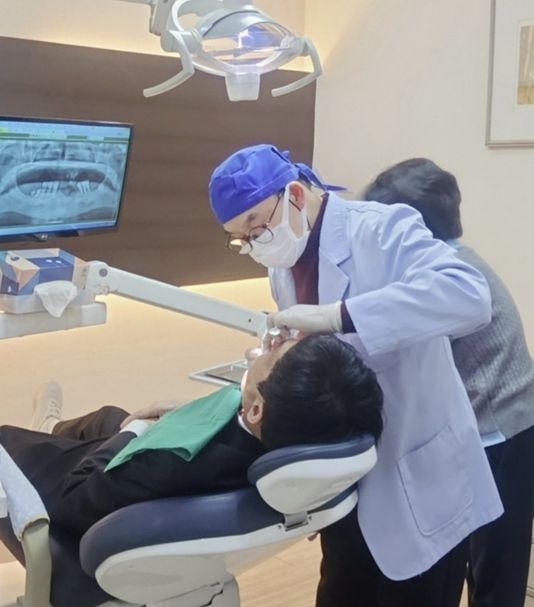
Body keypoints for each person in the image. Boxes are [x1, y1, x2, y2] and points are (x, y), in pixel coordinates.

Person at [208, 144, 504, 607]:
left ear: (295, 196)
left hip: (418, 475)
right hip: (346, 479)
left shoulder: (383, 229)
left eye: (256, 225)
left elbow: (468, 295)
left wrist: (337, 316)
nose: (254, 243)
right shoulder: (283, 264)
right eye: (240, 238)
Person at [0, 334, 383, 540]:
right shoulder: (292, 435)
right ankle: (51, 427)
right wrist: (188, 413)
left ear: (256, 411)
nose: (268, 343)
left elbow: (75, 498)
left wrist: (139, 431)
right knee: (108, 417)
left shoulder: (166, 460)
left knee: (11, 440)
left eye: (273, 353)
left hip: (72, 487)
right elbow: (240, 408)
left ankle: (43, 435)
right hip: (139, 476)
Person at [364, 157, 534, 607]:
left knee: (495, 568)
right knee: (485, 559)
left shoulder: (443, 277)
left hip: (504, 427)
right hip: (498, 422)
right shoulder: (453, 258)